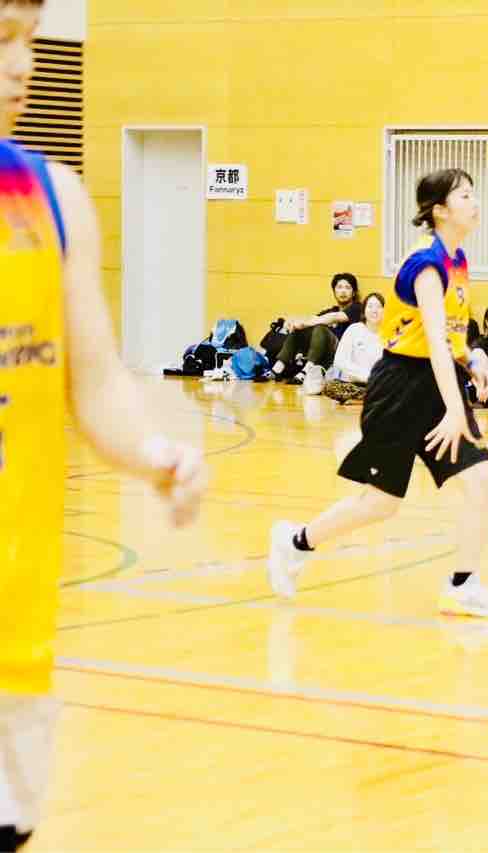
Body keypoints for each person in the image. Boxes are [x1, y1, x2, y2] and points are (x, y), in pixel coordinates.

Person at [1, 2, 208, 846]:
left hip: (14, 611)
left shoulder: (51, 199)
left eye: (29, 39)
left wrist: (154, 452)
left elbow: (93, 381)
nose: (22, 65)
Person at [267, 167, 488, 620]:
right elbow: (432, 340)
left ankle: (463, 585)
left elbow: (451, 334)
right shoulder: (426, 265)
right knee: (382, 502)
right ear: (440, 210)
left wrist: (472, 359)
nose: (475, 202)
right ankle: (295, 542)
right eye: (465, 195)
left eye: (474, 194)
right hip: (399, 388)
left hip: (436, 380)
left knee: (482, 480)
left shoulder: (458, 259)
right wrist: (456, 409)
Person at [270, 272, 363, 385]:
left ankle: (307, 370)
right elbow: (312, 319)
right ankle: (277, 368)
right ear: (334, 291)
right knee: (301, 329)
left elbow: (335, 317)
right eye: (339, 287)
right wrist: (293, 323)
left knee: (319, 327)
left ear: (353, 293)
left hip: (340, 354)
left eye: (347, 288)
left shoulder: (357, 308)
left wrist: (305, 323)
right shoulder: (330, 310)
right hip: (323, 354)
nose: (343, 291)